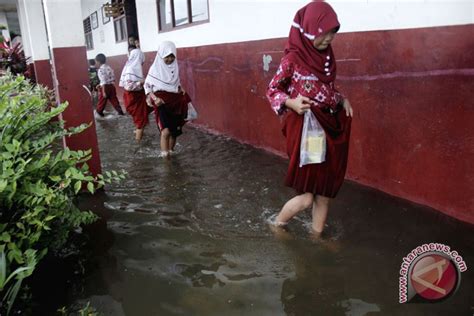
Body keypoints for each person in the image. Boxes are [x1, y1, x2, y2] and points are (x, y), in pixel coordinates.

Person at [266, 2, 353, 236]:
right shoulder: (293, 59)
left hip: (327, 125)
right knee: (307, 195)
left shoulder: (325, 58)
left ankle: (317, 237)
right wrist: (291, 102)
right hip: (307, 131)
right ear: (307, 30)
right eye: (323, 34)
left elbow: (327, 89)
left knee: (323, 192)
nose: (328, 40)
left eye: (332, 34)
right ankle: (277, 224)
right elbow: (272, 90)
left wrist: (342, 99)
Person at [144, 41, 192, 158]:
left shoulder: (174, 67)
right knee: (165, 132)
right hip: (162, 103)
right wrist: (155, 98)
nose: (170, 59)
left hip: (176, 103)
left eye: (172, 56)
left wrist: (181, 88)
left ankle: (171, 153)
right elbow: (147, 86)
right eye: (167, 57)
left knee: (174, 133)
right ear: (161, 55)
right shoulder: (154, 69)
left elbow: (176, 83)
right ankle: (165, 160)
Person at [119, 45, 151, 141]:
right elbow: (129, 86)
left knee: (142, 116)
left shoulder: (131, 66)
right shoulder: (131, 69)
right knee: (140, 120)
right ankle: (138, 143)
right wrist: (141, 82)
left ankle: (139, 132)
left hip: (136, 97)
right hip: (133, 97)